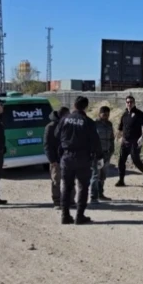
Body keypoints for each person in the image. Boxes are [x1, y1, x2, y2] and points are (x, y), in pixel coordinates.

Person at [54, 96, 102, 225]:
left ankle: (65, 215)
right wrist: (100, 157)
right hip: (83, 157)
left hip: (66, 156)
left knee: (67, 187)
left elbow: (56, 135)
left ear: (74, 105)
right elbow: (95, 141)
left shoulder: (64, 119)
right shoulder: (88, 121)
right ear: (85, 107)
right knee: (83, 187)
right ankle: (79, 216)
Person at [116, 95, 143, 186]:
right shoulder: (124, 114)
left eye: (131, 102)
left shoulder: (139, 114)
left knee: (135, 160)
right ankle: (121, 180)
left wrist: (142, 137)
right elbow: (120, 128)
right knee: (121, 161)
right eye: (128, 102)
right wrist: (118, 137)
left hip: (135, 141)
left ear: (134, 103)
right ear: (125, 103)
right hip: (125, 141)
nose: (129, 103)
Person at [44, 106, 70, 209]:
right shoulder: (50, 127)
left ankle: (70, 200)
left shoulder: (68, 125)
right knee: (56, 181)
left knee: (70, 180)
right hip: (56, 160)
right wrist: (52, 160)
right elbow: (47, 145)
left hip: (68, 158)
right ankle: (57, 202)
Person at [90, 106, 115, 203]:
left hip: (106, 154)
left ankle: (100, 194)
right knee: (96, 175)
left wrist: (112, 150)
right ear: (99, 114)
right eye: (104, 114)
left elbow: (112, 138)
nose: (106, 117)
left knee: (103, 176)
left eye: (108, 115)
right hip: (97, 155)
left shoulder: (109, 124)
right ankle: (93, 196)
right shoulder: (94, 124)